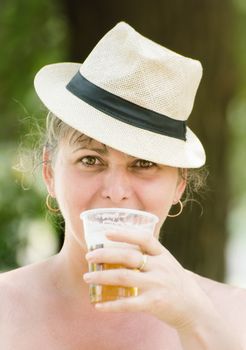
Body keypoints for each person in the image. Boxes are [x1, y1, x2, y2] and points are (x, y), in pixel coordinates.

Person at [0, 22, 245, 350]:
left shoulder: (232, 316)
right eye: (90, 160)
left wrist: (194, 321)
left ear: (179, 186)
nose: (115, 190)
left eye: (144, 164)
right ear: (49, 172)